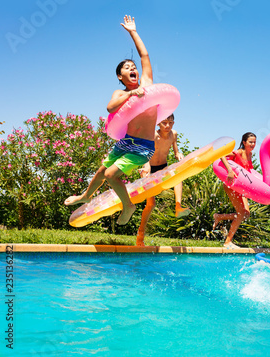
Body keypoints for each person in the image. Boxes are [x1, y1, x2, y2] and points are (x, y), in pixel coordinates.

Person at [64, 15, 157, 225]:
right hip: (126, 142)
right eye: (126, 67)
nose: (132, 68)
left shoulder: (148, 84)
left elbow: (145, 54)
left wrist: (133, 32)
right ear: (119, 76)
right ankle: (85, 196)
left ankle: (128, 205)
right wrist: (131, 95)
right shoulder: (120, 93)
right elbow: (110, 107)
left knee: (111, 174)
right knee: (100, 171)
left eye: (133, 66)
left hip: (143, 146)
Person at [136, 113, 190, 246]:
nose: (168, 126)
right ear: (158, 124)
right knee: (151, 204)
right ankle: (140, 236)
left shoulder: (174, 134)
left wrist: (179, 154)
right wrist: (146, 167)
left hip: (162, 168)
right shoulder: (153, 135)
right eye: (164, 123)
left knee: (178, 177)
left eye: (170, 123)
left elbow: (176, 151)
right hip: (149, 168)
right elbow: (145, 154)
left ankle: (178, 206)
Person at [212, 132, 256, 249]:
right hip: (232, 184)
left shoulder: (250, 154)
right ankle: (227, 242)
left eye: (254, 142)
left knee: (246, 214)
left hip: (242, 187)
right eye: (250, 142)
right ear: (244, 142)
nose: (253, 144)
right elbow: (221, 154)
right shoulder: (239, 152)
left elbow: (248, 172)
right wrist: (229, 170)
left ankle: (220, 217)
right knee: (241, 213)